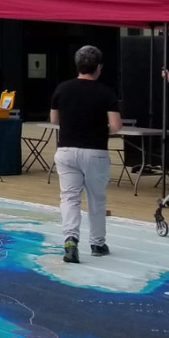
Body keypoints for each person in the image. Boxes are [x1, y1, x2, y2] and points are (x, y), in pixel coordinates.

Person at [50, 45, 122, 264]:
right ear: (99, 67)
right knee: (96, 199)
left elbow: (54, 120)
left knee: (69, 198)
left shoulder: (62, 89)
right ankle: (98, 243)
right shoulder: (106, 93)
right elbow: (116, 126)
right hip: (95, 151)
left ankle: (70, 239)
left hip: (66, 150)